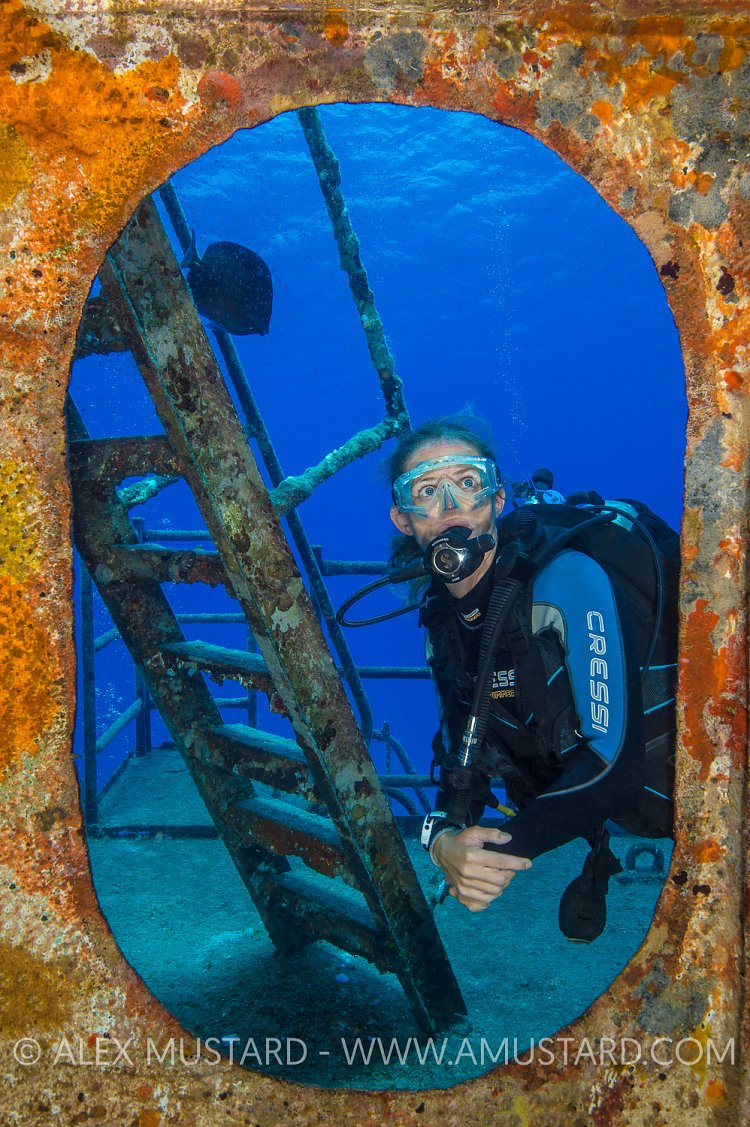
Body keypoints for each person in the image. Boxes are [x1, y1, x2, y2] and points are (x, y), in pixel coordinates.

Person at [386, 413, 676, 942]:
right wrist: (442, 840)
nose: (450, 507)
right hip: (597, 805)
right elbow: (460, 757)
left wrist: (503, 851)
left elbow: (616, 762)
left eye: (468, 483)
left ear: (498, 500)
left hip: (677, 781)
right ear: (404, 518)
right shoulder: (441, 621)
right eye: (426, 490)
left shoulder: (567, 578)